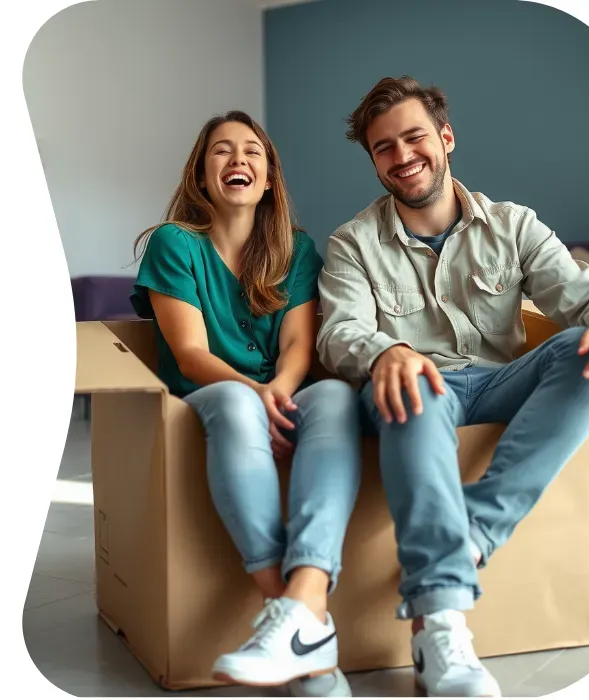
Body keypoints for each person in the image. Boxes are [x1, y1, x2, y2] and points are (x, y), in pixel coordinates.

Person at [316, 76, 589, 698]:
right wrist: (386, 350)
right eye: (383, 148)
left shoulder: (514, 224)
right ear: (374, 161)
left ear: (445, 137)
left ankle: (474, 531)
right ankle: (440, 624)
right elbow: (339, 331)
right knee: (417, 381)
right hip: (413, 392)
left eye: (414, 137)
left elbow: (586, 297)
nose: (402, 156)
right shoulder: (352, 242)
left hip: (500, 382)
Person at [130, 110, 361, 697]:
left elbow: (297, 348)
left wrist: (277, 392)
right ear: (202, 175)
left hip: (280, 392)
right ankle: (291, 616)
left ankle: (303, 611)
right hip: (212, 393)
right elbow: (188, 352)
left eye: (252, 152)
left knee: (335, 396)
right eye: (221, 151)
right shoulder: (174, 243)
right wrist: (256, 394)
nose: (238, 160)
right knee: (234, 401)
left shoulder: (298, 250)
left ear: (269, 177)